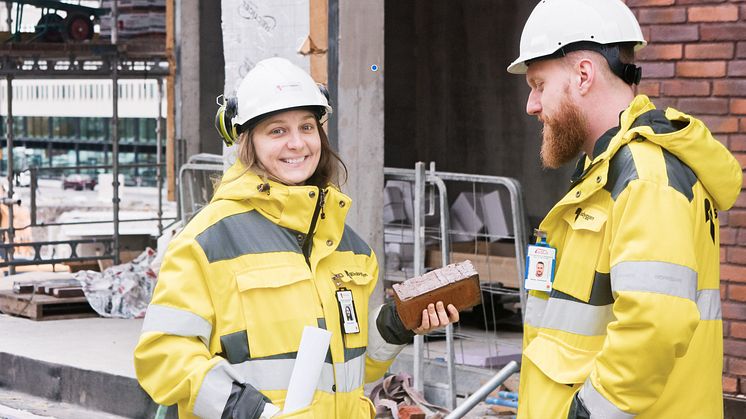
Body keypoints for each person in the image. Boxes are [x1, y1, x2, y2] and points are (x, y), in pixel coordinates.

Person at [133, 57, 459, 419]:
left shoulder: (349, 247)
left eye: (306, 127)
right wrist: (254, 413)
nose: (297, 143)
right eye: (277, 130)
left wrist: (397, 325)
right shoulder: (208, 241)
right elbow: (163, 356)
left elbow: (347, 370)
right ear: (247, 141)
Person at [507, 0, 743, 418]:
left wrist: (588, 413)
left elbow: (655, 326)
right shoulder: (606, 174)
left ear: (583, 75)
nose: (532, 105)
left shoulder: (644, 178)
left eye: (539, 84)